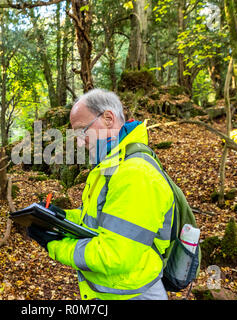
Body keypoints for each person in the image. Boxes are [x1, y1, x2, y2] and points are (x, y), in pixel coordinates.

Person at [28, 88, 174, 300]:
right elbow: (97, 220)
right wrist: (60, 216)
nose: (79, 142)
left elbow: (114, 255)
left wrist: (54, 244)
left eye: (81, 131)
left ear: (108, 119)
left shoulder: (135, 174)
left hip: (134, 294)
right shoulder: (110, 167)